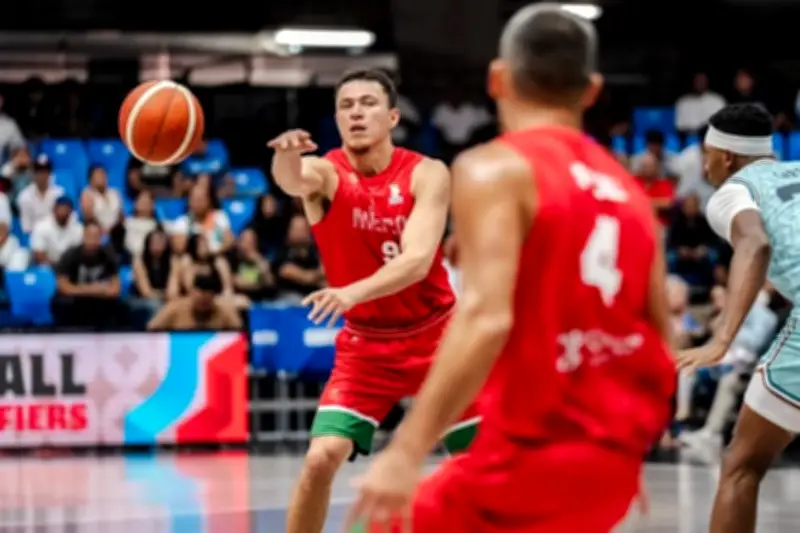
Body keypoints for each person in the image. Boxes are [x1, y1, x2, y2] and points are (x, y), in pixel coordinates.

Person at [348, 4, 676, 532]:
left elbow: (486, 317)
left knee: (372, 523)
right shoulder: (630, 191)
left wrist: (406, 451)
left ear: (497, 79)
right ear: (591, 91)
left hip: (525, 458)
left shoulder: (493, 168)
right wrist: (622, 454)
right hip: (611, 465)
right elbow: (661, 334)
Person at [268, 68, 480, 533]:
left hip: (439, 338)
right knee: (320, 460)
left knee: (482, 467)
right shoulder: (327, 173)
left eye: (366, 103)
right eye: (346, 106)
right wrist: (284, 157)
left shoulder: (428, 172)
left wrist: (350, 292)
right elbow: (293, 181)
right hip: (367, 346)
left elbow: (419, 259)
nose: (356, 113)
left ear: (392, 116)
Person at [677, 103, 793, 533]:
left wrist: (722, 338)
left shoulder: (732, 192)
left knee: (741, 467)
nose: (703, 162)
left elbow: (755, 244)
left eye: (705, 151)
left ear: (725, 156)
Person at [147, 272, 242, 330]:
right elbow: (151, 328)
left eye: (206, 302)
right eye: (199, 300)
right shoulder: (175, 308)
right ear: (191, 294)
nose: (203, 304)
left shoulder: (224, 311)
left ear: (214, 298)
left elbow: (239, 334)